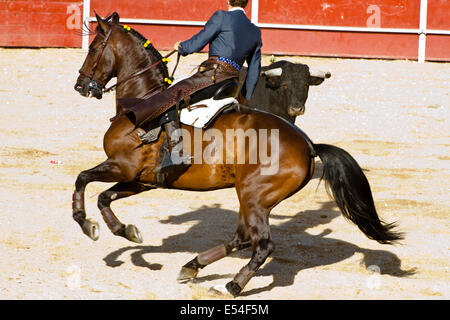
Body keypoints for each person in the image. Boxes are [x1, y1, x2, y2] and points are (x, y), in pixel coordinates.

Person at [128, 0, 262, 174]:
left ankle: (178, 151)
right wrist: (245, 96)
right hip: (232, 84)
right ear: (247, 4)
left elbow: (198, 42)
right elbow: (254, 70)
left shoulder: (221, 17)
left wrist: (182, 47)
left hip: (212, 77)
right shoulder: (255, 31)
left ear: (228, 1)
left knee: (169, 96)